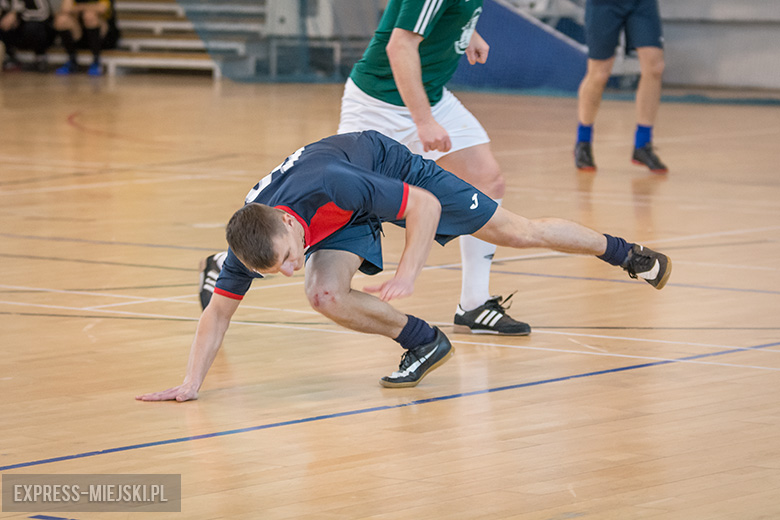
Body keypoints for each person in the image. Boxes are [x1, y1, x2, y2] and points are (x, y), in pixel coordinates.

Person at [138, 131, 671, 402]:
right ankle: (422, 341)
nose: (286, 269)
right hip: (338, 216)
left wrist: (409, 272)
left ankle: (627, 253)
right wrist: (189, 383)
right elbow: (218, 316)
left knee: (517, 232)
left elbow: (424, 207)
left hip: (387, 171)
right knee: (320, 293)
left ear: (289, 225)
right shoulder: (250, 239)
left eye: (286, 258)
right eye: (273, 269)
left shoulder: (332, 183)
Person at [198, 0, 530, 337]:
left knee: (488, 179)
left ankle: (474, 302)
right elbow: (399, 42)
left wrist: (465, 29)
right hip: (378, 102)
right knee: (342, 203)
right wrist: (423, 121)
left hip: (429, 93)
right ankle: (231, 261)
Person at [574, 0, 668, 174]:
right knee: (599, 73)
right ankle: (583, 142)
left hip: (641, 4)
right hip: (603, 5)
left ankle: (643, 144)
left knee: (655, 68)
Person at [53, 0, 118, 76]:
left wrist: (79, 8)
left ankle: (96, 60)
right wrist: (87, 8)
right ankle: (72, 59)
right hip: (80, 33)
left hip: (102, 35)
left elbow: (102, 8)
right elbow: (65, 9)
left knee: (89, 15)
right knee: (61, 19)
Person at [0, 0, 54, 72]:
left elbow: (44, 13)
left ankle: (40, 57)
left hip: (41, 28)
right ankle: (9, 56)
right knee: (4, 24)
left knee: (33, 27)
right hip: (15, 29)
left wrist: (17, 16)